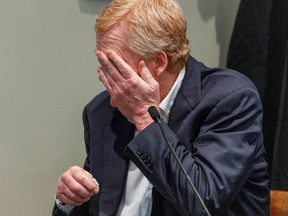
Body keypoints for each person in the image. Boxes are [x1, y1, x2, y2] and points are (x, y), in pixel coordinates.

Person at [52, 0, 270, 215]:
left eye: (114, 64)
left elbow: (203, 203)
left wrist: (144, 117)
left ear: (158, 62)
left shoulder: (230, 98)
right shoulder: (101, 112)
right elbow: (98, 206)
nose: (105, 76)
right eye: (102, 63)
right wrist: (68, 201)